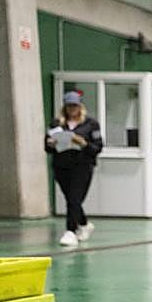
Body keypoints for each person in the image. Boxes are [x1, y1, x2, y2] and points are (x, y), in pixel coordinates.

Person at [44, 90, 103, 247]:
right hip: (62, 166)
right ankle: (84, 224)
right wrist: (51, 143)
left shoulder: (91, 124)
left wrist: (83, 143)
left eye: (75, 106)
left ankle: (70, 231)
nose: (72, 109)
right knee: (71, 199)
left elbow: (97, 147)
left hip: (82, 166)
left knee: (75, 198)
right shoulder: (56, 123)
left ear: (80, 107)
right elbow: (47, 147)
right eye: (69, 106)